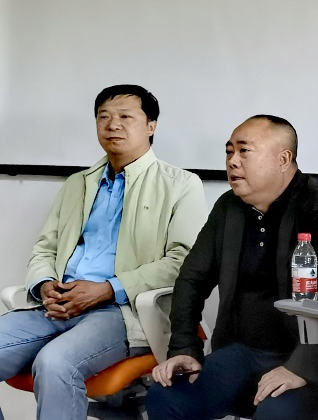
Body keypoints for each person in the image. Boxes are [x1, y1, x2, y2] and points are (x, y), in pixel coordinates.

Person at [145, 115, 318, 420]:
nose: (232, 161)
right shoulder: (228, 207)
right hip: (243, 354)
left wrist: (301, 367)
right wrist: (184, 349)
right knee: (167, 397)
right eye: (229, 151)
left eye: (244, 151)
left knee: (275, 413)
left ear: (283, 159)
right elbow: (192, 279)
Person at [0, 84, 207, 420]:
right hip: (56, 305)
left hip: (120, 311)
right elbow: (45, 248)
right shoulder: (77, 183)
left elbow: (182, 261)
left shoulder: (180, 184)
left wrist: (108, 288)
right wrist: (44, 285)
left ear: (151, 125)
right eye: (104, 117)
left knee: (55, 363)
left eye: (126, 117)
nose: (113, 125)